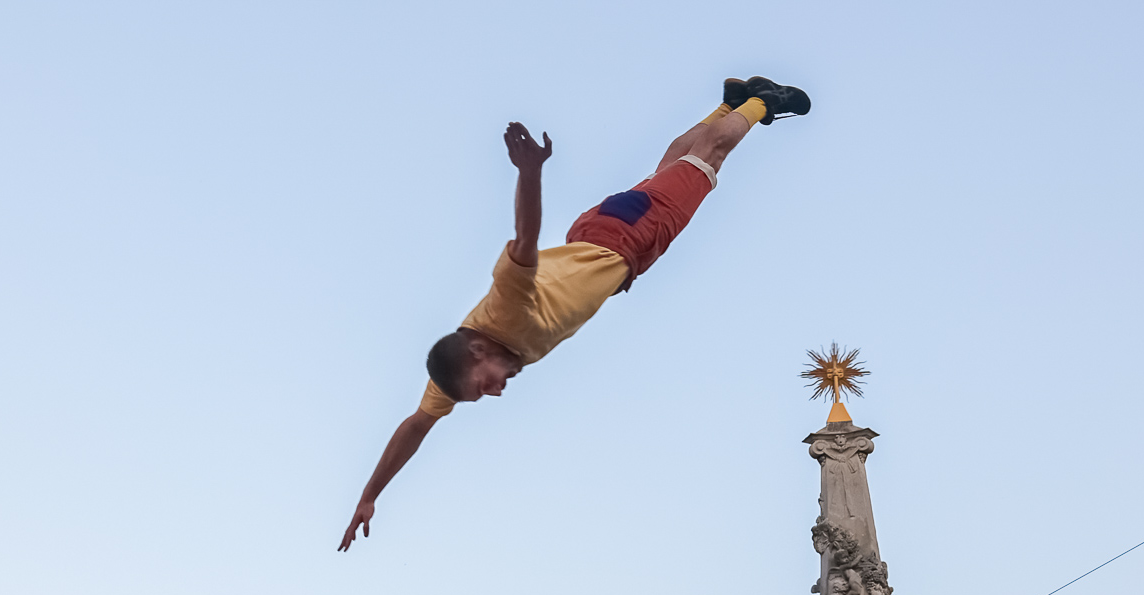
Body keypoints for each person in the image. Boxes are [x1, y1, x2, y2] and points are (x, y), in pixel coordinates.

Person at [338, 76, 812, 550]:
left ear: (478, 348)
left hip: (625, 238)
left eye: (483, 384)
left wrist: (529, 174)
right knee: (674, 166)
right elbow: (417, 424)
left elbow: (523, 241)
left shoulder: (504, 311)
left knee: (711, 157)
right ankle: (727, 105)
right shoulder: (457, 362)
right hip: (600, 234)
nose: (494, 391)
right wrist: (369, 495)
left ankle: (759, 102)